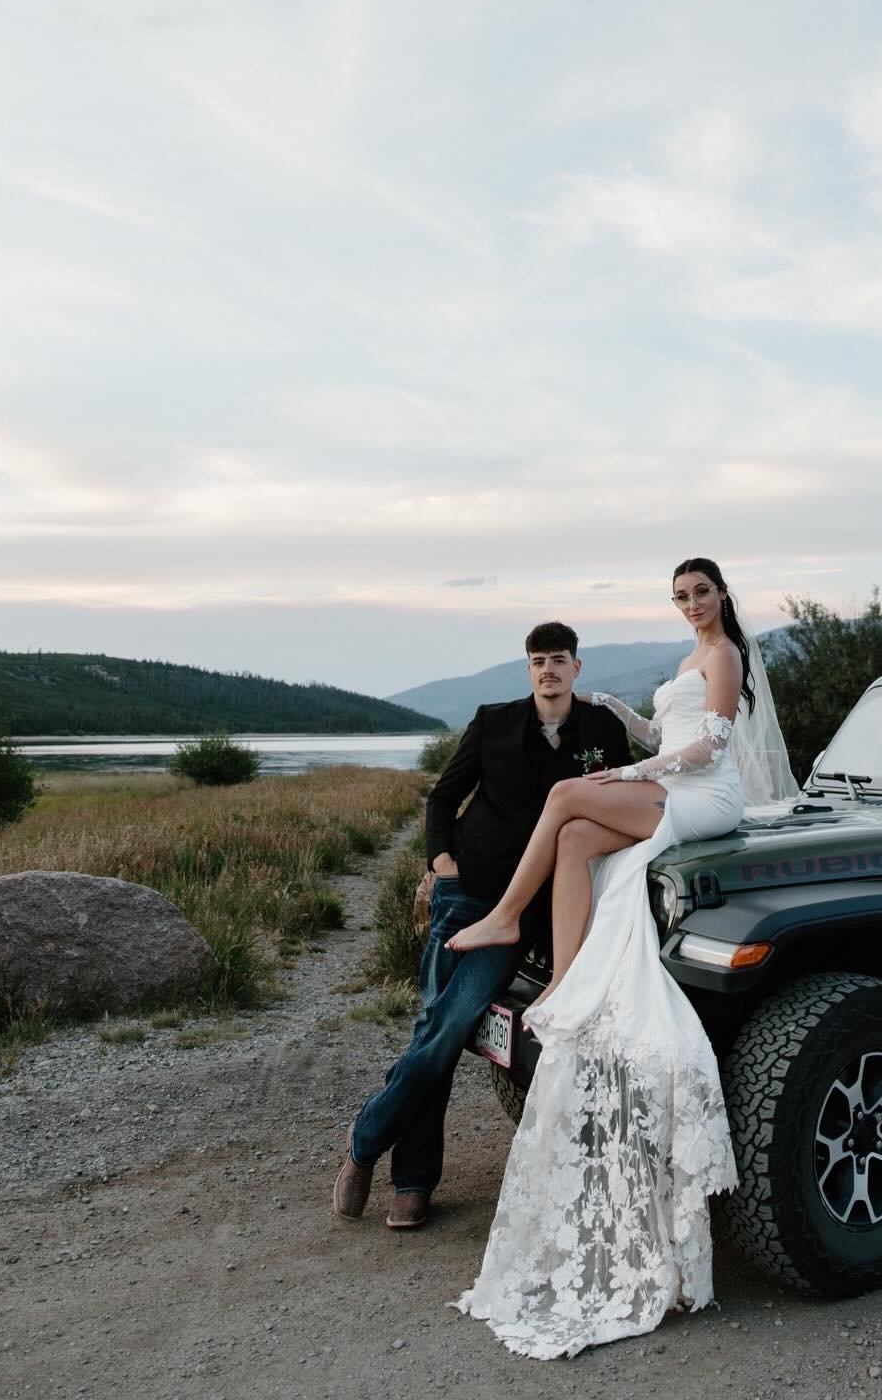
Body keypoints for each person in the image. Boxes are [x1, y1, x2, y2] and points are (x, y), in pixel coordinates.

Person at [449, 557, 796, 1358]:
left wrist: (631, 769)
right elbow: (670, 733)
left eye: (700, 593)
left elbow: (707, 749)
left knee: (566, 797)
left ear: (721, 596)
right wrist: (623, 722)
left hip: (705, 798)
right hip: (674, 781)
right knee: (572, 837)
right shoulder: (685, 661)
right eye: (679, 598)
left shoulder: (725, 655)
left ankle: (505, 916)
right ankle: (567, 985)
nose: (690, 606)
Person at [330, 621, 630, 1231]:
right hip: (470, 897)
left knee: (446, 1025)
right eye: (538, 660)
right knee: (437, 1028)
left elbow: (619, 801)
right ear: (529, 670)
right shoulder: (492, 721)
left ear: (578, 668)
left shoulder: (603, 730)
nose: (549, 669)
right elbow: (443, 797)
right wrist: (441, 866)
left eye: (559, 659)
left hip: (543, 910)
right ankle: (409, 1181)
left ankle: (366, 1140)